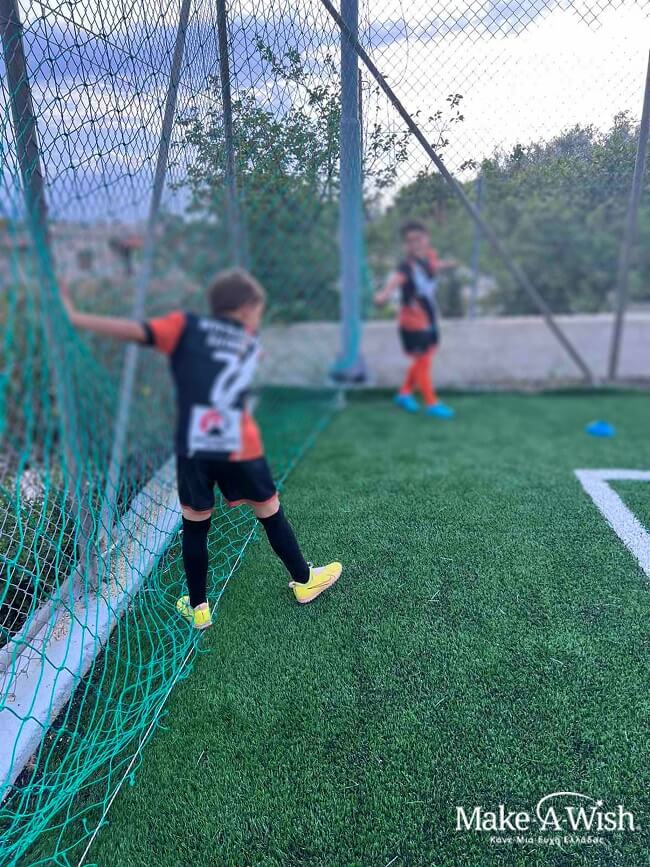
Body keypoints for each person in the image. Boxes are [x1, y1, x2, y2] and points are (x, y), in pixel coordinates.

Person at [62, 269, 342, 629]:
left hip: (195, 446)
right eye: (258, 308)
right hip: (238, 445)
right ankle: (304, 580)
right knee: (270, 513)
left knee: (195, 526)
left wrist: (77, 318)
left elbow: (135, 331)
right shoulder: (248, 341)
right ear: (245, 308)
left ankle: (199, 609)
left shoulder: (184, 326)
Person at [374, 220, 456, 418]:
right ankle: (431, 403)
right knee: (423, 360)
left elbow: (433, 267)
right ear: (405, 245)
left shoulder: (428, 258)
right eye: (410, 241)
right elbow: (396, 281)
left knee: (424, 358)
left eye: (418, 239)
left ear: (427, 239)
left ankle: (404, 394)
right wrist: (384, 295)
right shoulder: (406, 267)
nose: (415, 244)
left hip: (428, 316)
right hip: (412, 320)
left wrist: (447, 265)